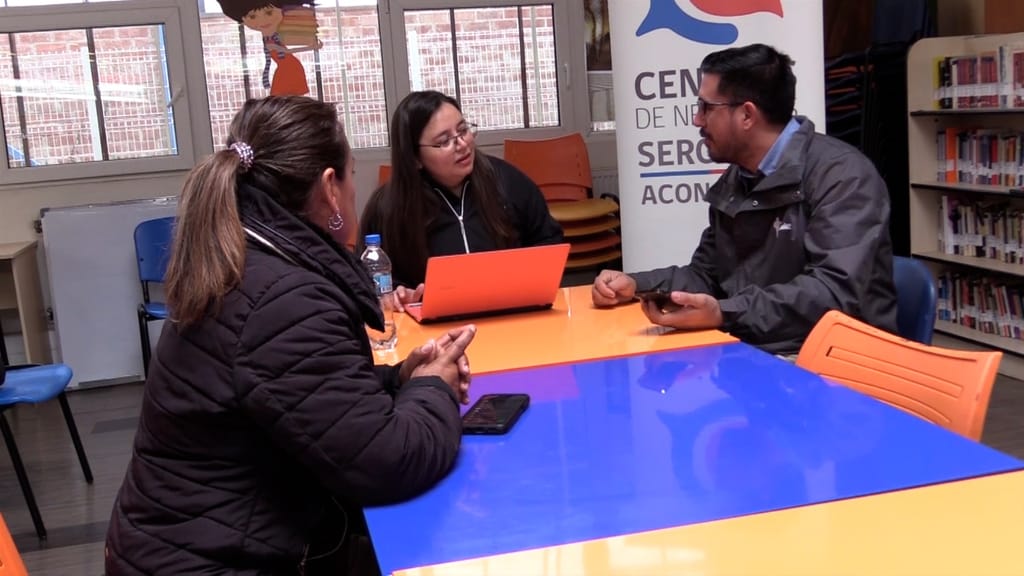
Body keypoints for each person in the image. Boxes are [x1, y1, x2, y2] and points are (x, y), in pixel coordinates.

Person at [105, 96, 477, 575]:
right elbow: (387, 463)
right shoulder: (283, 298)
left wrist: (399, 377)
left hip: (175, 550)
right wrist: (435, 387)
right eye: (350, 173)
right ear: (329, 188)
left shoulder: (247, 261)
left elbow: (300, 399)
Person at [592, 43, 897, 356]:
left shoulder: (843, 176)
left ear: (747, 115)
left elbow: (834, 293)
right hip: (761, 345)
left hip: (835, 359)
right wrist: (635, 284)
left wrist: (726, 313)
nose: (697, 120)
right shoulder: (740, 177)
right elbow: (706, 275)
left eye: (706, 107)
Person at [360, 90, 564, 309]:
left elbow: (548, 241)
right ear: (415, 158)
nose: (462, 144)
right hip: (430, 333)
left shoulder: (507, 181)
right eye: (445, 141)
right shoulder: (388, 207)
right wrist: (398, 293)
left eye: (463, 130)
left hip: (510, 315)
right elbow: (368, 279)